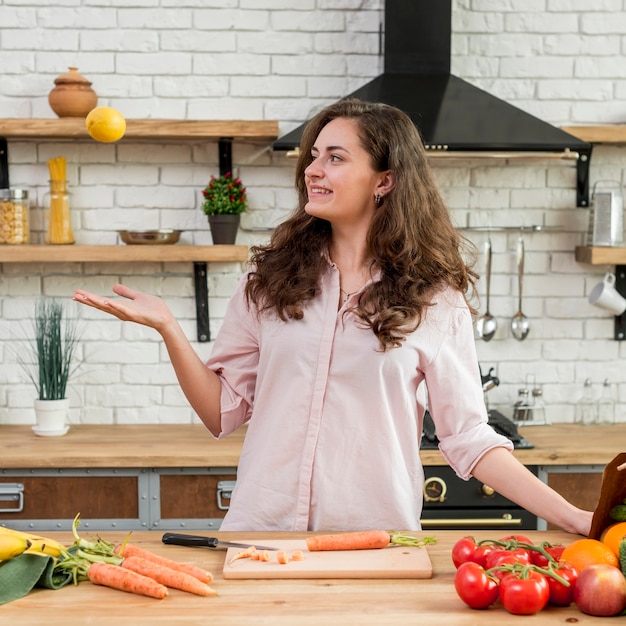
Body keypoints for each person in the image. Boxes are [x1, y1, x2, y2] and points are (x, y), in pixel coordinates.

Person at [73, 98, 592, 536]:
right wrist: (170, 329)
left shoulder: (436, 299)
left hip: (371, 543)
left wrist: (569, 516)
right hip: (262, 535)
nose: (313, 170)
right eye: (314, 156)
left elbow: (470, 439)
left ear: (384, 180)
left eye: (336, 157)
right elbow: (222, 412)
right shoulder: (268, 281)